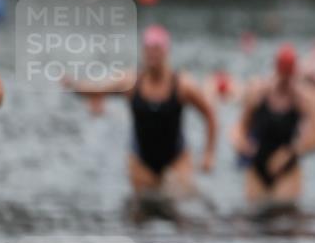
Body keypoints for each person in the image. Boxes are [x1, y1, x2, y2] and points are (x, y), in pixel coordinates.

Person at [64, 25, 217, 220]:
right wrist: (73, 85)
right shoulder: (131, 82)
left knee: (181, 208)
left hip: (176, 158)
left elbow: (209, 115)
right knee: (141, 213)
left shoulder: (182, 85)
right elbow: (97, 89)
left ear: (166, 52)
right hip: (141, 160)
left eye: (157, 49)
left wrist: (209, 154)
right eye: (148, 49)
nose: (152, 54)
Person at [233, 43, 315, 213]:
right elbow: (239, 127)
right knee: (253, 216)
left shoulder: (304, 99)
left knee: (284, 216)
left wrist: (290, 152)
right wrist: (243, 144)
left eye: (289, 73)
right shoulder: (259, 93)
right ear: (276, 69)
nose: (285, 78)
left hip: (288, 168)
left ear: (294, 72)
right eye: (283, 71)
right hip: (257, 165)